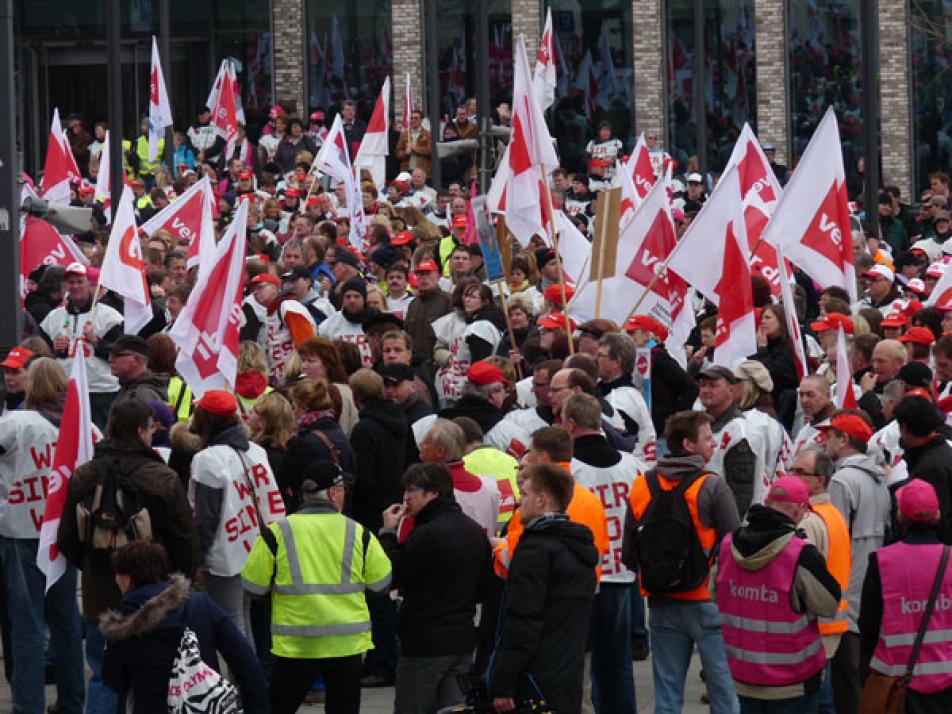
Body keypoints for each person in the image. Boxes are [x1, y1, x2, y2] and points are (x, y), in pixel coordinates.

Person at [57, 397, 199, 714]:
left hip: (101, 595)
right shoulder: (162, 478)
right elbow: (185, 538)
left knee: (104, 674)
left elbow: (66, 538)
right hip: (156, 595)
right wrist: (182, 579)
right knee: (157, 678)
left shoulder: (84, 475)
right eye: (150, 428)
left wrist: (96, 565)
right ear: (139, 430)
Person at [242, 461, 393, 714]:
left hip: (297, 644)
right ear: (334, 493)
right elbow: (381, 585)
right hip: (346, 645)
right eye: (343, 488)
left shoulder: (277, 533)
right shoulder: (359, 533)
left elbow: (254, 587)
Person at [622, 410, 741, 714]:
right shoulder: (712, 486)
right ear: (689, 445)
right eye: (706, 437)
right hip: (707, 600)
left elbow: (628, 554)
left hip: (661, 601)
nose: (713, 442)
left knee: (667, 695)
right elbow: (733, 544)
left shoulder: (642, 485)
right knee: (724, 692)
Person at [710, 476, 841, 712]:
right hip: (792, 682)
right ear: (798, 510)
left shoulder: (728, 546)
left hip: (742, 676)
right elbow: (829, 604)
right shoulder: (800, 554)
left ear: (768, 502)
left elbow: (715, 594)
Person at [0, 357, 84, 714]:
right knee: (66, 623)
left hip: (22, 532)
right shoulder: (80, 427)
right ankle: (71, 703)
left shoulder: (17, 423)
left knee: (28, 628)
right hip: (64, 535)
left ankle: (28, 707)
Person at [100, 540, 269, 712]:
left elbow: (114, 680)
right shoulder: (201, 605)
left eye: (117, 574)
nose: (116, 580)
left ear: (128, 580)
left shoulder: (121, 627)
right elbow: (247, 664)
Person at [379, 463, 492, 714]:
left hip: (424, 643)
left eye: (412, 490)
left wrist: (388, 532)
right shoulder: (473, 530)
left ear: (433, 493)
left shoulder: (427, 534)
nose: (406, 497)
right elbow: (486, 585)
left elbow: (387, 574)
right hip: (462, 638)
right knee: (454, 709)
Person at [487, 462, 599, 714]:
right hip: (567, 675)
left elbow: (522, 620)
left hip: (534, 679)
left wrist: (503, 683)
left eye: (524, 494)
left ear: (541, 499)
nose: (519, 500)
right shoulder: (580, 549)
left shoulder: (535, 549)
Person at [562, 393, 641, 713]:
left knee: (580, 660)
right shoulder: (634, 466)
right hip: (622, 571)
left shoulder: (568, 471)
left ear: (570, 424)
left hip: (585, 575)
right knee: (617, 661)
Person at [187, 390, 286, 639]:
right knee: (242, 618)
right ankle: (249, 676)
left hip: (225, 556)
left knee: (232, 625)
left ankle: (244, 679)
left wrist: (196, 558)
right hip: (256, 548)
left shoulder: (207, 459)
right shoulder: (256, 451)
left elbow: (205, 518)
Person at [819, 411, 891, 714]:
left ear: (844, 439)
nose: (824, 441)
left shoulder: (841, 479)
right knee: (859, 669)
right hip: (870, 577)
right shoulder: (879, 477)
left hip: (846, 582)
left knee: (844, 677)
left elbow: (833, 534)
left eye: (830, 435)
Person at [860, 480, 952, 713]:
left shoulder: (881, 561)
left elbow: (868, 625)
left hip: (895, 684)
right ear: (937, 514)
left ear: (901, 516)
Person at [791, 446, 852, 712]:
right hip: (831, 620)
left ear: (820, 480)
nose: (792, 477)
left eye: (800, 472)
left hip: (816, 624)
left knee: (816, 702)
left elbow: (800, 578)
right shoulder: (832, 514)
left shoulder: (810, 521)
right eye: (792, 470)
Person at [39, 262, 123, 426]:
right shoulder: (53, 318)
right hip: (66, 391)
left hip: (100, 391)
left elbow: (120, 354)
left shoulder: (110, 317)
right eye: (71, 282)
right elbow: (40, 355)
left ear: (89, 284)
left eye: (80, 281)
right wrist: (53, 350)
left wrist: (95, 341)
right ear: (65, 286)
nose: (75, 286)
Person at [278, 378, 356, 513]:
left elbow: (281, 481)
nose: (293, 412)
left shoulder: (302, 443)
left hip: (307, 512)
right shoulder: (340, 435)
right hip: (338, 512)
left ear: (305, 407)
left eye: (294, 406)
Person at [418, 419, 500, 536]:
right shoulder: (490, 486)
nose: (421, 446)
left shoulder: (427, 492)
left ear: (440, 451)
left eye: (426, 442)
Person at [697, 364, 757, 518]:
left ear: (732, 390)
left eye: (713, 385)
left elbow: (741, 491)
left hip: (730, 525)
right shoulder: (703, 424)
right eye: (702, 385)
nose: (705, 390)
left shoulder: (739, 431)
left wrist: (728, 530)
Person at [893, 395, 952, 543]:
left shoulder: (930, 467)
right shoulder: (941, 453)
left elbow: (936, 519)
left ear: (904, 427)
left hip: (934, 553)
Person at [596, 332, 657, 466]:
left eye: (601, 356)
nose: (596, 359)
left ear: (616, 363)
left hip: (630, 472)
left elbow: (617, 444)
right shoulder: (623, 393)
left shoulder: (620, 400)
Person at [108, 334, 169, 403]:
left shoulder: (142, 395)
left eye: (117, 355)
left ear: (137, 360)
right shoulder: (129, 387)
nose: (110, 359)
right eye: (110, 354)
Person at [1, 346, 33, 412]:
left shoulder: (40, 406)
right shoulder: (4, 401)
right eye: (7, 372)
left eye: (15, 372)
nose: (8, 377)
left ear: (31, 374)